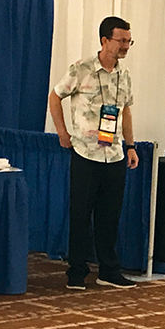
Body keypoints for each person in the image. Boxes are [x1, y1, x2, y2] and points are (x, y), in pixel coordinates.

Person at [49, 16, 140, 291]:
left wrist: (131, 145)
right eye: (121, 40)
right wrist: (62, 133)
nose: (125, 46)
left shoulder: (124, 75)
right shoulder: (81, 69)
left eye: (128, 41)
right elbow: (55, 96)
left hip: (114, 155)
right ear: (104, 40)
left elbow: (125, 110)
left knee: (110, 215)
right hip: (85, 153)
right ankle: (76, 272)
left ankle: (108, 271)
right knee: (80, 214)